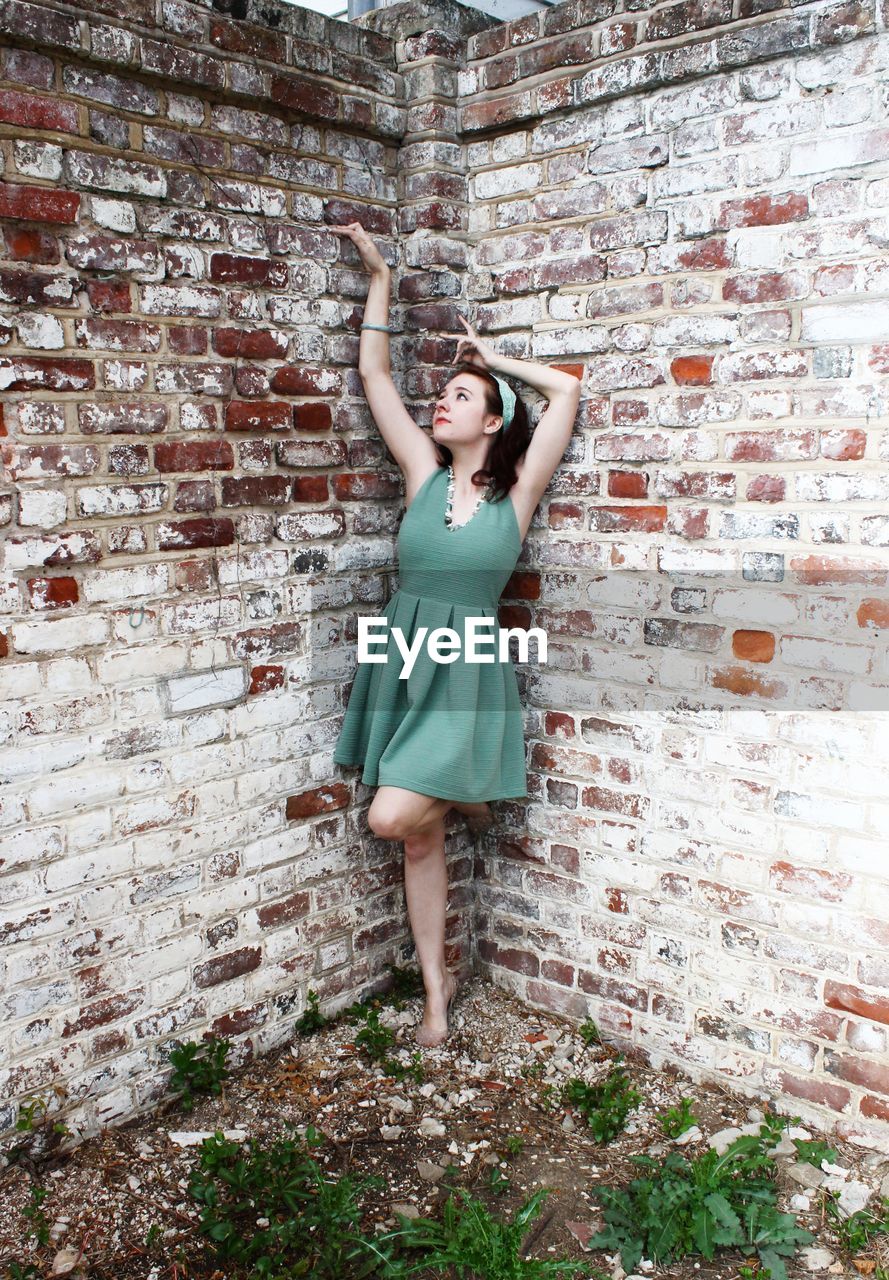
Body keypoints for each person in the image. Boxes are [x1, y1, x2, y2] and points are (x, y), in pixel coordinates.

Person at [327, 221, 581, 1046]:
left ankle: (470, 788)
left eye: (459, 397)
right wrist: (379, 279)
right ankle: (436, 992)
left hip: (467, 671)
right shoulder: (420, 472)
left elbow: (567, 392)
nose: (441, 400)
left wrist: (494, 363)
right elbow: (372, 372)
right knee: (417, 840)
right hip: (403, 659)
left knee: (389, 817)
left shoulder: (517, 493)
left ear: (493, 421)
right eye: (444, 392)